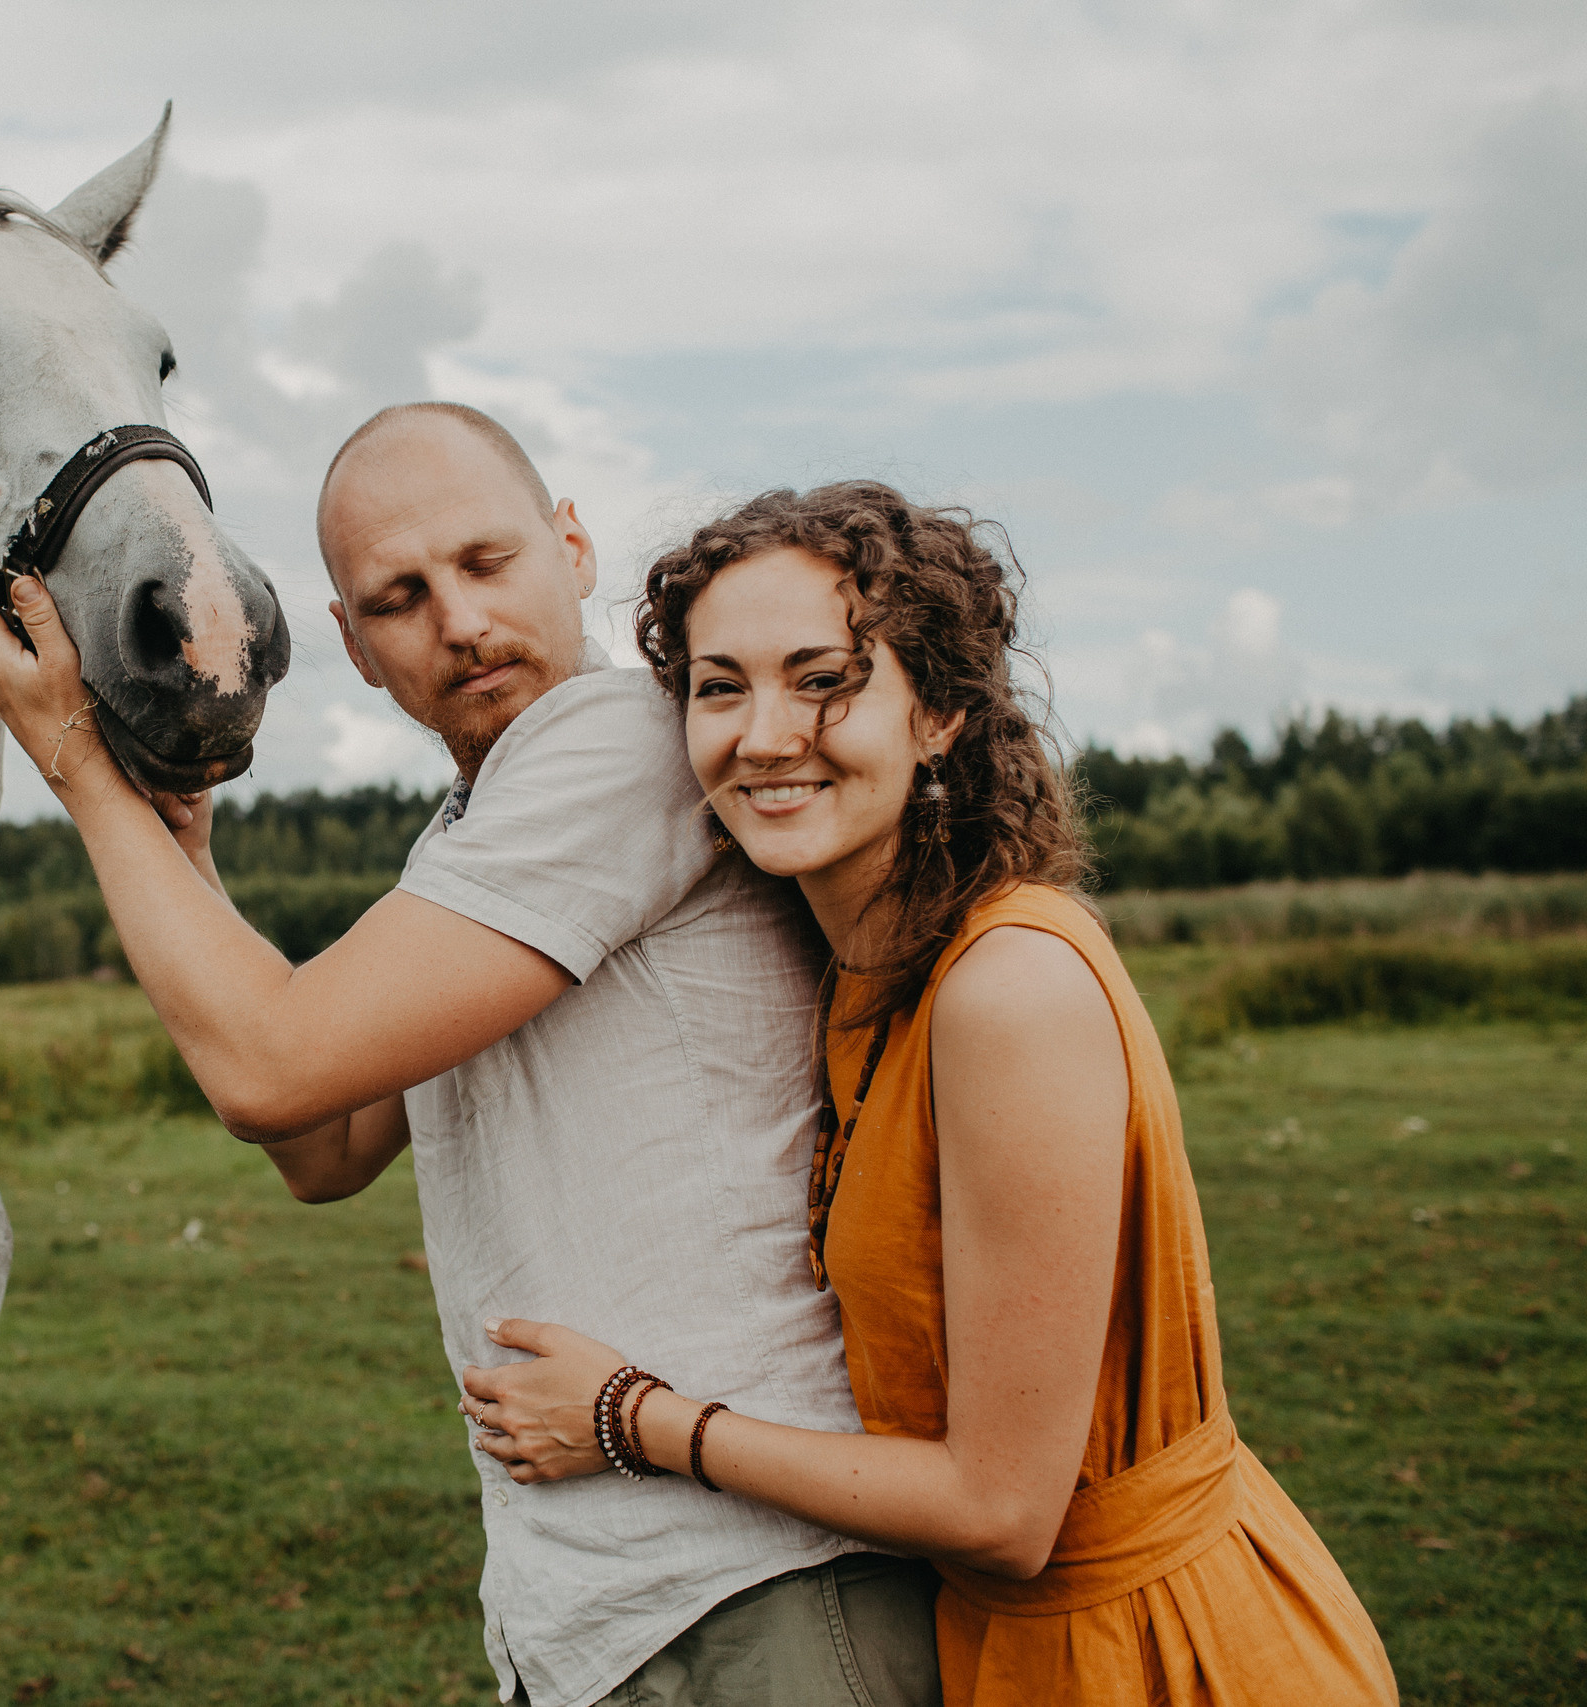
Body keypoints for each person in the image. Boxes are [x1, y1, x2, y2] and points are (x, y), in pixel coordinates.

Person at [0, 405, 943, 1707]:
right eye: (401, 597)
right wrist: (182, 853)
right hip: (610, 1602)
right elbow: (327, 1145)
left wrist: (75, 755)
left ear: (574, 545)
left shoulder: (620, 746)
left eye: (487, 562)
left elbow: (271, 1064)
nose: (460, 620)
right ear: (353, 647)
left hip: (756, 1585)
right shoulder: (478, 823)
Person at [456, 482, 1398, 1705]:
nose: (765, 734)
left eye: (823, 679)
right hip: (1001, 1645)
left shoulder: (1004, 989)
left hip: (1156, 1653)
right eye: (720, 686)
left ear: (942, 710)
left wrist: (630, 1417)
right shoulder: (863, 983)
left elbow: (1004, 1508)